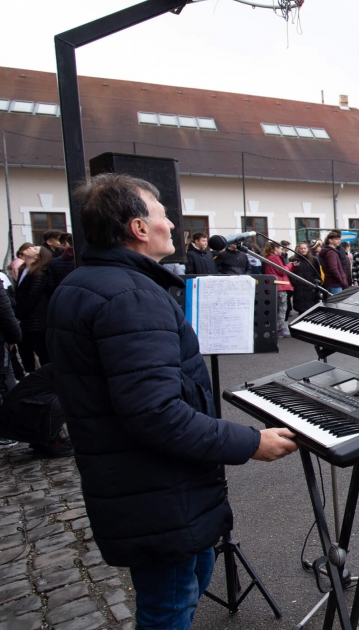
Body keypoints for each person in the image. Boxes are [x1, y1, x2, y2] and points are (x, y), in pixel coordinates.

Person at [46, 174, 297, 629]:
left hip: (139, 484)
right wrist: (250, 442)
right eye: (162, 215)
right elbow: (157, 414)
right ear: (139, 228)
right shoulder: (131, 297)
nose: (173, 225)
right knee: (168, 608)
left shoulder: (92, 282)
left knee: (185, 584)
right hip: (158, 492)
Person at [14, 245, 53, 370]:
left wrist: (19, 315)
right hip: (26, 320)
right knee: (25, 353)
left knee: (42, 353)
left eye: (35, 249)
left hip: (36, 321)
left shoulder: (40, 273)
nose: (30, 248)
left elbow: (32, 297)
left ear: (37, 257)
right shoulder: (23, 269)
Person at [261, 242, 293, 337]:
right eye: (280, 248)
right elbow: (282, 271)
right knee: (282, 308)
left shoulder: (268, 257)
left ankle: (274, 328)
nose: (281, 250)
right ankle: (280, 328)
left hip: (272, 286)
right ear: (275, 248)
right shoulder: (275, 257)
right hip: (280, 285)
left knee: (275, 309)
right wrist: (290, 265)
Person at [290, 242, 323, 314]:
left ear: (308, 249)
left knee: (311, 310)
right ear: (298, 249)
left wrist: (316, 283)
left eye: (304, 248)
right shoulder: (293, 260)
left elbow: (317, 273)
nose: (303, 250)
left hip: (311, 288)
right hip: (299, 288)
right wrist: (295, 283)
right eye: (301, 248)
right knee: (301, 310)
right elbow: (291, 273)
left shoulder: (313, 260)